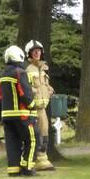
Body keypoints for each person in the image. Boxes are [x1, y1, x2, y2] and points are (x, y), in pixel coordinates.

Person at [0, 45, 38, 177]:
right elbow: (25, 93)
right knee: (32, 139)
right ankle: (28, 168)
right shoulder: (20, 72)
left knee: (12, 143)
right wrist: (33, 106)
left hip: (6, 116)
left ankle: (13, 170)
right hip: (22, 114)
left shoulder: (3, 75)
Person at [24, 40, 55, 171]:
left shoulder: (43, 69)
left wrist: (49, 89)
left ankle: (43, 160)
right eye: (34, 51)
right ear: (29, 53)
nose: (37, 53)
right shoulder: (27, 70)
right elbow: (25, 88)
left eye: (39, 50)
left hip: (43, 108)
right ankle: (35, 161)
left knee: (44, 133)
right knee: (36, 135)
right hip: (32, 109)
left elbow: (45, 85)